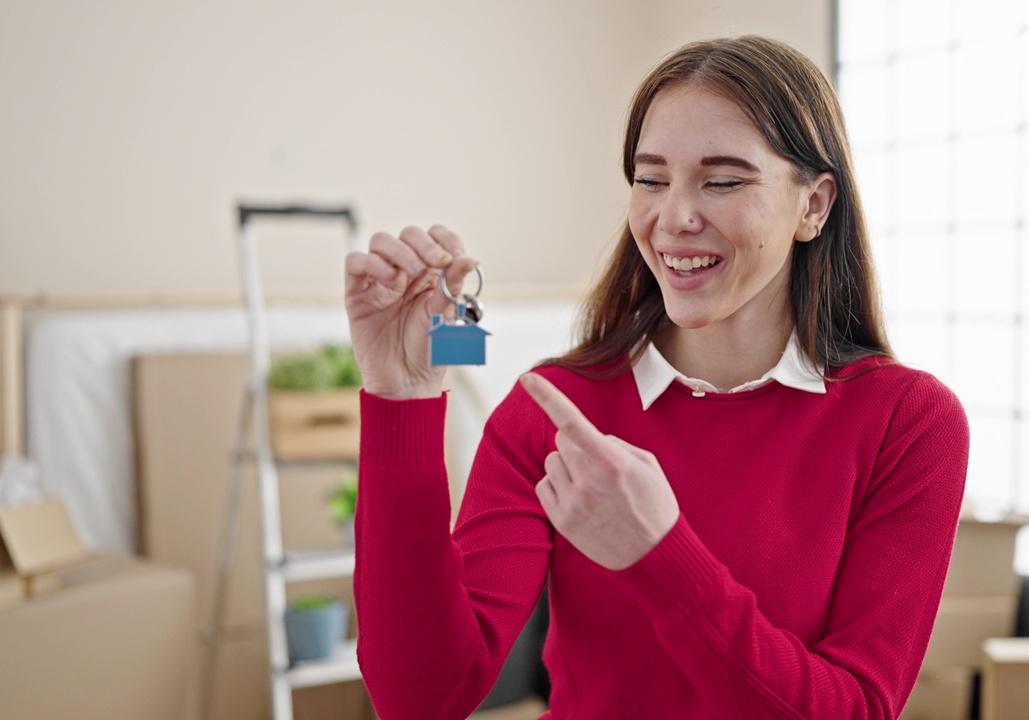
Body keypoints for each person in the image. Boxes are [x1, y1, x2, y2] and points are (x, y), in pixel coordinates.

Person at [344, 35, 969, 720]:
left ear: (814, 206)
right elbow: (420, 695)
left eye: (723, 180)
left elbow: (853, 710)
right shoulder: (554, 414)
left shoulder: (907, 422)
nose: (674, 218)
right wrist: (401, 399)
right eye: (651, 178)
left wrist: (660, 554)